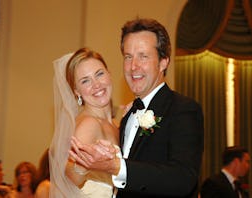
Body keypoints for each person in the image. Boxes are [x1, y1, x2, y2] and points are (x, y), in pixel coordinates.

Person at [69, 18, 204, 198]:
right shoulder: (127, 117)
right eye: (128, 57)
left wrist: (117, 167)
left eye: (143, 56)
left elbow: (183, 179)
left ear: (163, 62)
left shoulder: (182, 109)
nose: (134, 66)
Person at [49, 47, 120, 198]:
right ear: (76, 91)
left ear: (109, 74)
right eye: (85, 81)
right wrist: (85, 163)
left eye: (99, 74)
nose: (96, 85)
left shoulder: (115, 124)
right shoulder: (89, 124)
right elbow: (71, 178)